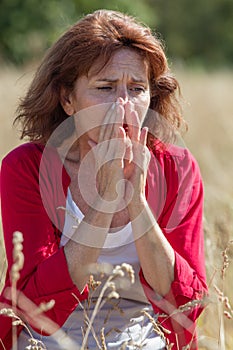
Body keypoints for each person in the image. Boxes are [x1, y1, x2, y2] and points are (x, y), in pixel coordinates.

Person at [0, 9, 208, 350]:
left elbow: (187, 304)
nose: (123, 104)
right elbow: (35, 308)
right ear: (67, 99)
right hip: (47, 339)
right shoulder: (27, 168)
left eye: (137, 89)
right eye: (106, 88)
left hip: (143, 338)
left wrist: (136, 202)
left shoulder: (177, 168)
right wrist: (104, 202)